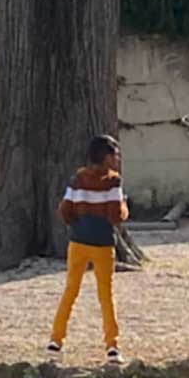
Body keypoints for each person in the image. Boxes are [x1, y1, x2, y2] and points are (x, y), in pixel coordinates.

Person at [47, 135, 129, 364]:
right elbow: (115, 215)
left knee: (70, 290)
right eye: (115, 154)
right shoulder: (113, 181)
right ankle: (112, 346)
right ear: (106, 157)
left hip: (78, 242)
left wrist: (77, 223)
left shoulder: (77, 178)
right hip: (102, 243)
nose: (117, 159)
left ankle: (56, 339)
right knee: (105, 295)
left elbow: (64, 209)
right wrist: (124, 208)